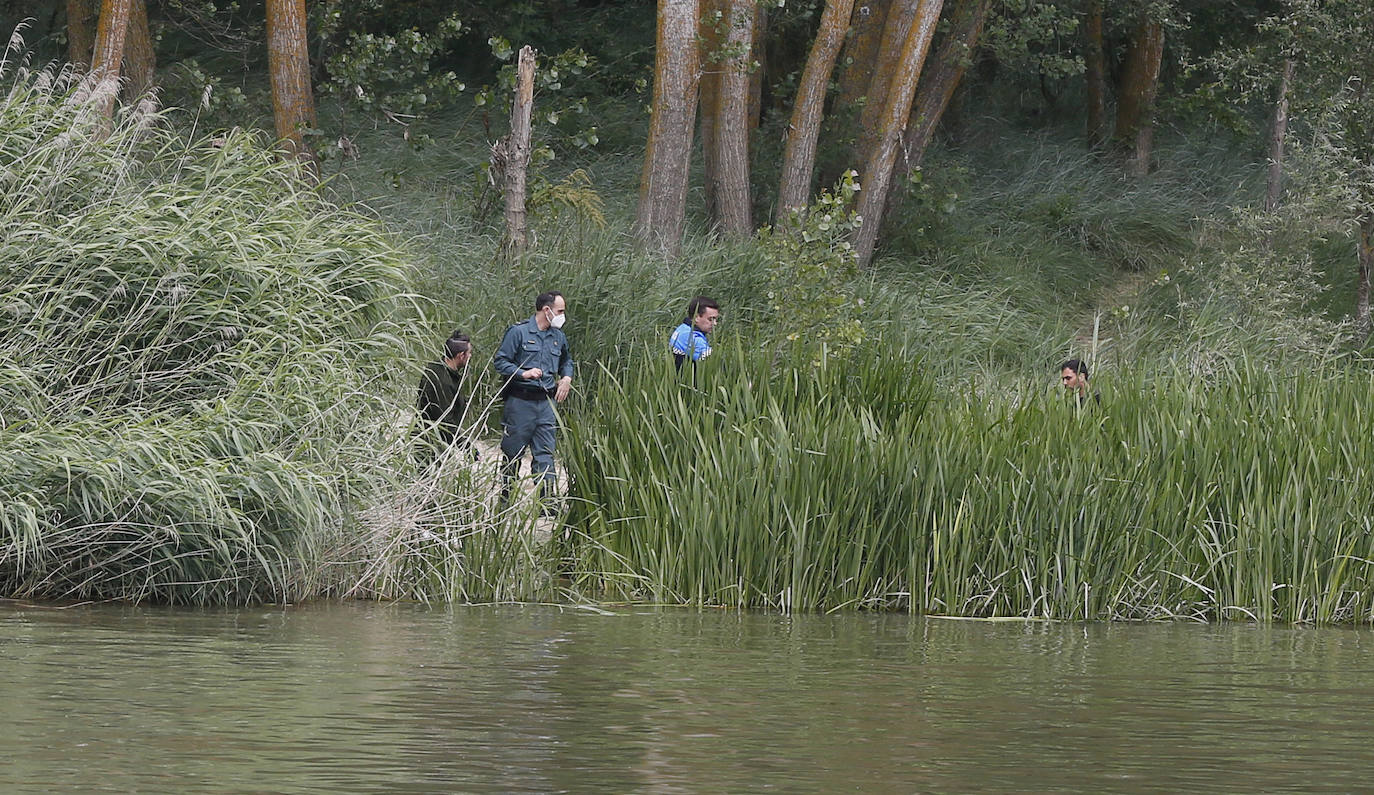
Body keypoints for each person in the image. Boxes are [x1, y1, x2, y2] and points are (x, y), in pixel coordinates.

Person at [493, 291, 575, 507]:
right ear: (546, 310)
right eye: (560, 311)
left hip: (547, 404)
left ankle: (547, 504)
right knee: (512, 453)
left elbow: (567, 360)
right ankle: (505, 500)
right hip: (521, 402)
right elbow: (500, 362)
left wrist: (566, 377)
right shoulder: (518, 332)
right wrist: (523, 373)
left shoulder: (558, 337)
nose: (562, 316)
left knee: (545, 454)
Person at [415, 332, 474, 464]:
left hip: (436, 442)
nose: (470, 357)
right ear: (460, 355)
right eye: (469, 353)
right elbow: (445, 421)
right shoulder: (442, 381)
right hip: (430, 445)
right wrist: (468, 448)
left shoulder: (438, 369)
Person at [670, 296, 720, 370]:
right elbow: (715, 362)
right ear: (696, 317)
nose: (715, 323)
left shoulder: (682, 328)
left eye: (715, 319)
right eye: (710, 319)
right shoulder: (691, 337)